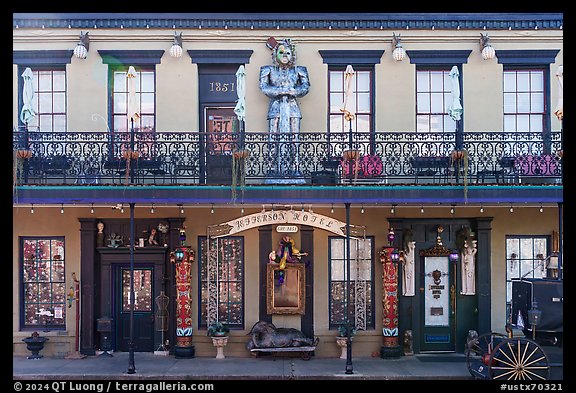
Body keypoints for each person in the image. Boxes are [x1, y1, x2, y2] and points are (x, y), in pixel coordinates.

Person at [259, 38, 310, 177]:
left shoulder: (299, 70)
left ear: (292, 54)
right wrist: (282, 91)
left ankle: (296, 167)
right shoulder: (267, 70)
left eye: (287, 52)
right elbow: (264, 87)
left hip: (292, 107)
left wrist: (291, 91)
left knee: (295, 138)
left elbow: (305, 87)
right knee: (273, 138)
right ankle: (271, 167)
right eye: (281, 52)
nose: (285, 55)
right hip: (276, 107)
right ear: (275, 54)